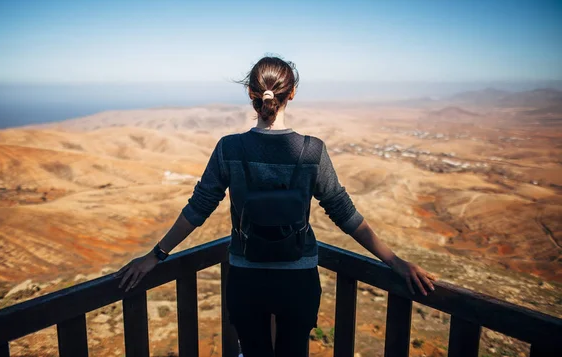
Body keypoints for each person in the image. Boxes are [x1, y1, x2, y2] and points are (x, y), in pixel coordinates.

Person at [116, 56, 436, 357]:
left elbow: (198, 208)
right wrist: (394, 261)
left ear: (250, 93)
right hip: (298, 279)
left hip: (246, 278)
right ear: (292, 93)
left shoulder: (230, 148)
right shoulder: (312, 151)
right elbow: (343, 212)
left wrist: (155, 256)